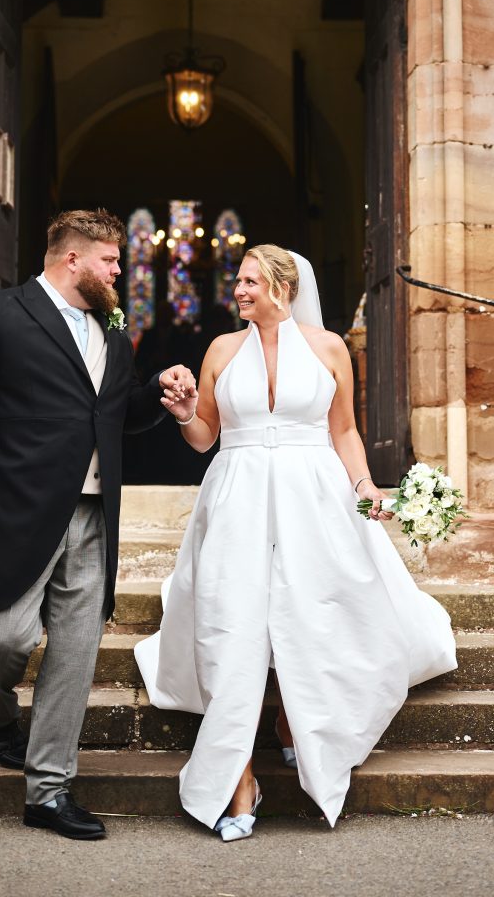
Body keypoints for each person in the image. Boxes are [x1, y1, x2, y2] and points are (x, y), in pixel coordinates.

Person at [135, 244, 457, 840]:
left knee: (312, 612)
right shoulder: (222, 350)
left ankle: (296, 727)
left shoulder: (330, 348)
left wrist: (364, 490)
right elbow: (206, 436)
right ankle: (236, 779)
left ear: (282, 287)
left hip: (314, 497)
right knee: (234, 622)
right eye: (238, 281)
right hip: (237, 498)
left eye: (250, 281)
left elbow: (345, 432)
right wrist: (184, 412)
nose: (239, 290)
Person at [0, 208, 196, 841]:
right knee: (4, 637)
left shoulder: (115, 323)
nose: (118, 271)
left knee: (74, 654)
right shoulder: (0, 313)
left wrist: (159, 386)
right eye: (110, 260)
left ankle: (49, 790)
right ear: (72, 259)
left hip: (94, 511)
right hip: (16, 504)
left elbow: (116, 409)